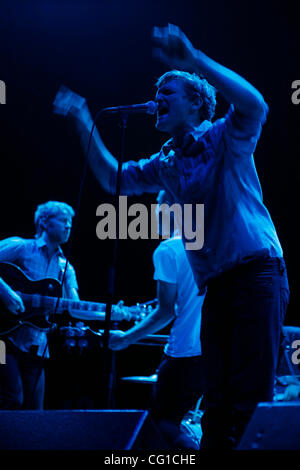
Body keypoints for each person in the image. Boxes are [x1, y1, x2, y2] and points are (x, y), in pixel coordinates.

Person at [53, 24, 289, 449]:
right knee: (215, 402)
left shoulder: (223, 137)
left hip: (257, 275)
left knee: (250, 398)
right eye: (157, 92)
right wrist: (83, 119)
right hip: (216, 284)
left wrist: (194, 60)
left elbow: (255, 105)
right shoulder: (165, 163)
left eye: (170, 92)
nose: (158, 97)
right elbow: (114, 179)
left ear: (196, 103)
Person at [109, 189, 205, 449]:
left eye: (158, 207)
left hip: (186, 351)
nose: (154, 215)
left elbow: (166, 311)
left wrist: (126, 338)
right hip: (221, 352)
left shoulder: (169, 249)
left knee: (163, 423)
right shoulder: (216, 242)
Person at [0, 200, 117, 410]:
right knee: (12, 399)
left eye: (70, 222)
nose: (69, 226)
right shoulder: (21, 247)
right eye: (63, 220)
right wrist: (6, 292)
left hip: (36, 346)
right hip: (3, 340)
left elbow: (75, 307)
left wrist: (114, 314)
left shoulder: (65, 267)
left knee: (34, 413)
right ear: (45, 222)